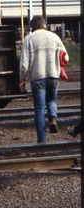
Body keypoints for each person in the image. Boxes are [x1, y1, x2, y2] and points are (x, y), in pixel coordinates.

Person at [19, 15, 67, 143]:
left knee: (39, 109)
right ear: (44, 25)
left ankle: (42, 139)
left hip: (37, 77)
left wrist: (22, 79)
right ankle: (53, 118)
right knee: (51, 100)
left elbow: (24, 63)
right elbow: (65, 57)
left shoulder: (28, 39)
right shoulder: (54, 37)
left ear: (32, 27)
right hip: (53, 75)